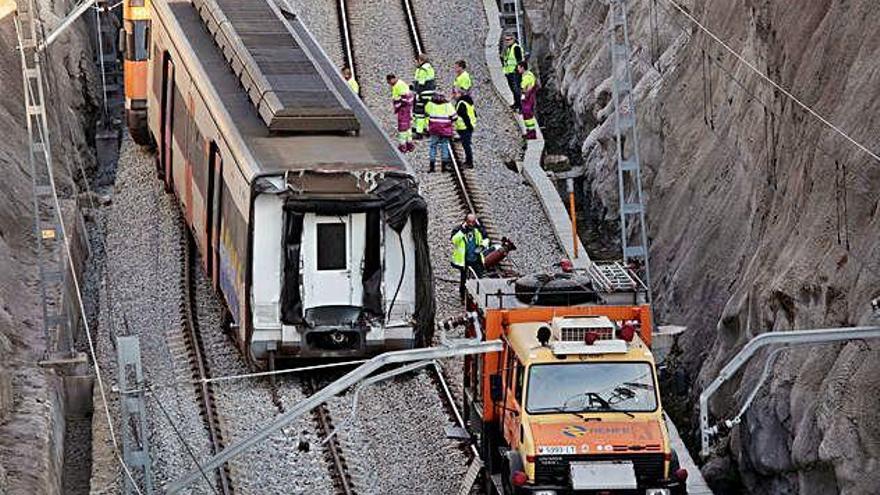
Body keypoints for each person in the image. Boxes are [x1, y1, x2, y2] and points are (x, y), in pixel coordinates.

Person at [450, 214, 489, 303]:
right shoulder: (458, 229)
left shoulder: (478, 229)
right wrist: (463, 230)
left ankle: (476, 297)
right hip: (464, 260)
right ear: (466, 221)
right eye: (469, 222)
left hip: (476, 259)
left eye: (473, 222)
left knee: (478, 278)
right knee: (464, 279)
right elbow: (454, 240)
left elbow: (486, 239)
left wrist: (482, 246)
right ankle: (463, 297)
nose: (471, 224)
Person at [425, 92, 458, 172]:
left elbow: (426, 112)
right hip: (445, 129)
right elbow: (455, 117)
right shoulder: (448, 105)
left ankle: (432, 167)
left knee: (433, 146)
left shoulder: (430, 104)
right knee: (444, 145)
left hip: (434, 128)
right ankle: (444, 166)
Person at [387, 73, 415, 153]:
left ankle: (403, 146)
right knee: (408, 126)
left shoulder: (398, 86)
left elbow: (403, 98)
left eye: (389, 82)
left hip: (403, 109)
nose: (390, 84)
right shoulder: (401, 83)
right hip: (407, 108)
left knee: (402, 127)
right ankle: (410, 144)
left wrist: (398, 106)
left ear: (391, 79)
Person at [412, 53, 436, 138]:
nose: (416, 63)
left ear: (421, 60)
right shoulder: (430, 68)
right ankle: (428, 130)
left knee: (419, 113)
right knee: (427, 113)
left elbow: (421, 84)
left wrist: (417, 93)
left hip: (423, 93)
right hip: (430, 93)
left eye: (417, 61)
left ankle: (419, 133)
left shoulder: (422, 70)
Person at [453, 89, 476, 168]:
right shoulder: (468, 102)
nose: (454, 95)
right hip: (467, 127)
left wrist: (469, 127)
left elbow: (465, 117)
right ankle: (468, 161)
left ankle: (469, 162)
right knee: (466, 144)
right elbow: (474, 114)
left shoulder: (461, 104)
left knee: (466, 145)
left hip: (465, 128)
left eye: (455, 93)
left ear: (460, 94)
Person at [501, 34, 523, 111]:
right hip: (509, 72)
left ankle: (520, 106)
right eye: (506, 40)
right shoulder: (508, 49)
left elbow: (519, 60)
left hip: (514, 72)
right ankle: (516, 104)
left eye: (509, 40)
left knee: (516, 89)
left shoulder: (516, 48)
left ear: (513, 40)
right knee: (513, 89)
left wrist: (517, 69)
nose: (507, 41)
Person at [518, 62, 538, 140]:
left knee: (527, 115)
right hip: (530, 97)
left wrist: (523, 94)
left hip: (528, 98)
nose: (518, 69)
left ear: (523, 68)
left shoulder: (526, 77)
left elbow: (524, 87)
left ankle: (531, 133)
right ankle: (530, 132)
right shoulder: (530, 74)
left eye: (519, 68)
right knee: (528, 115)